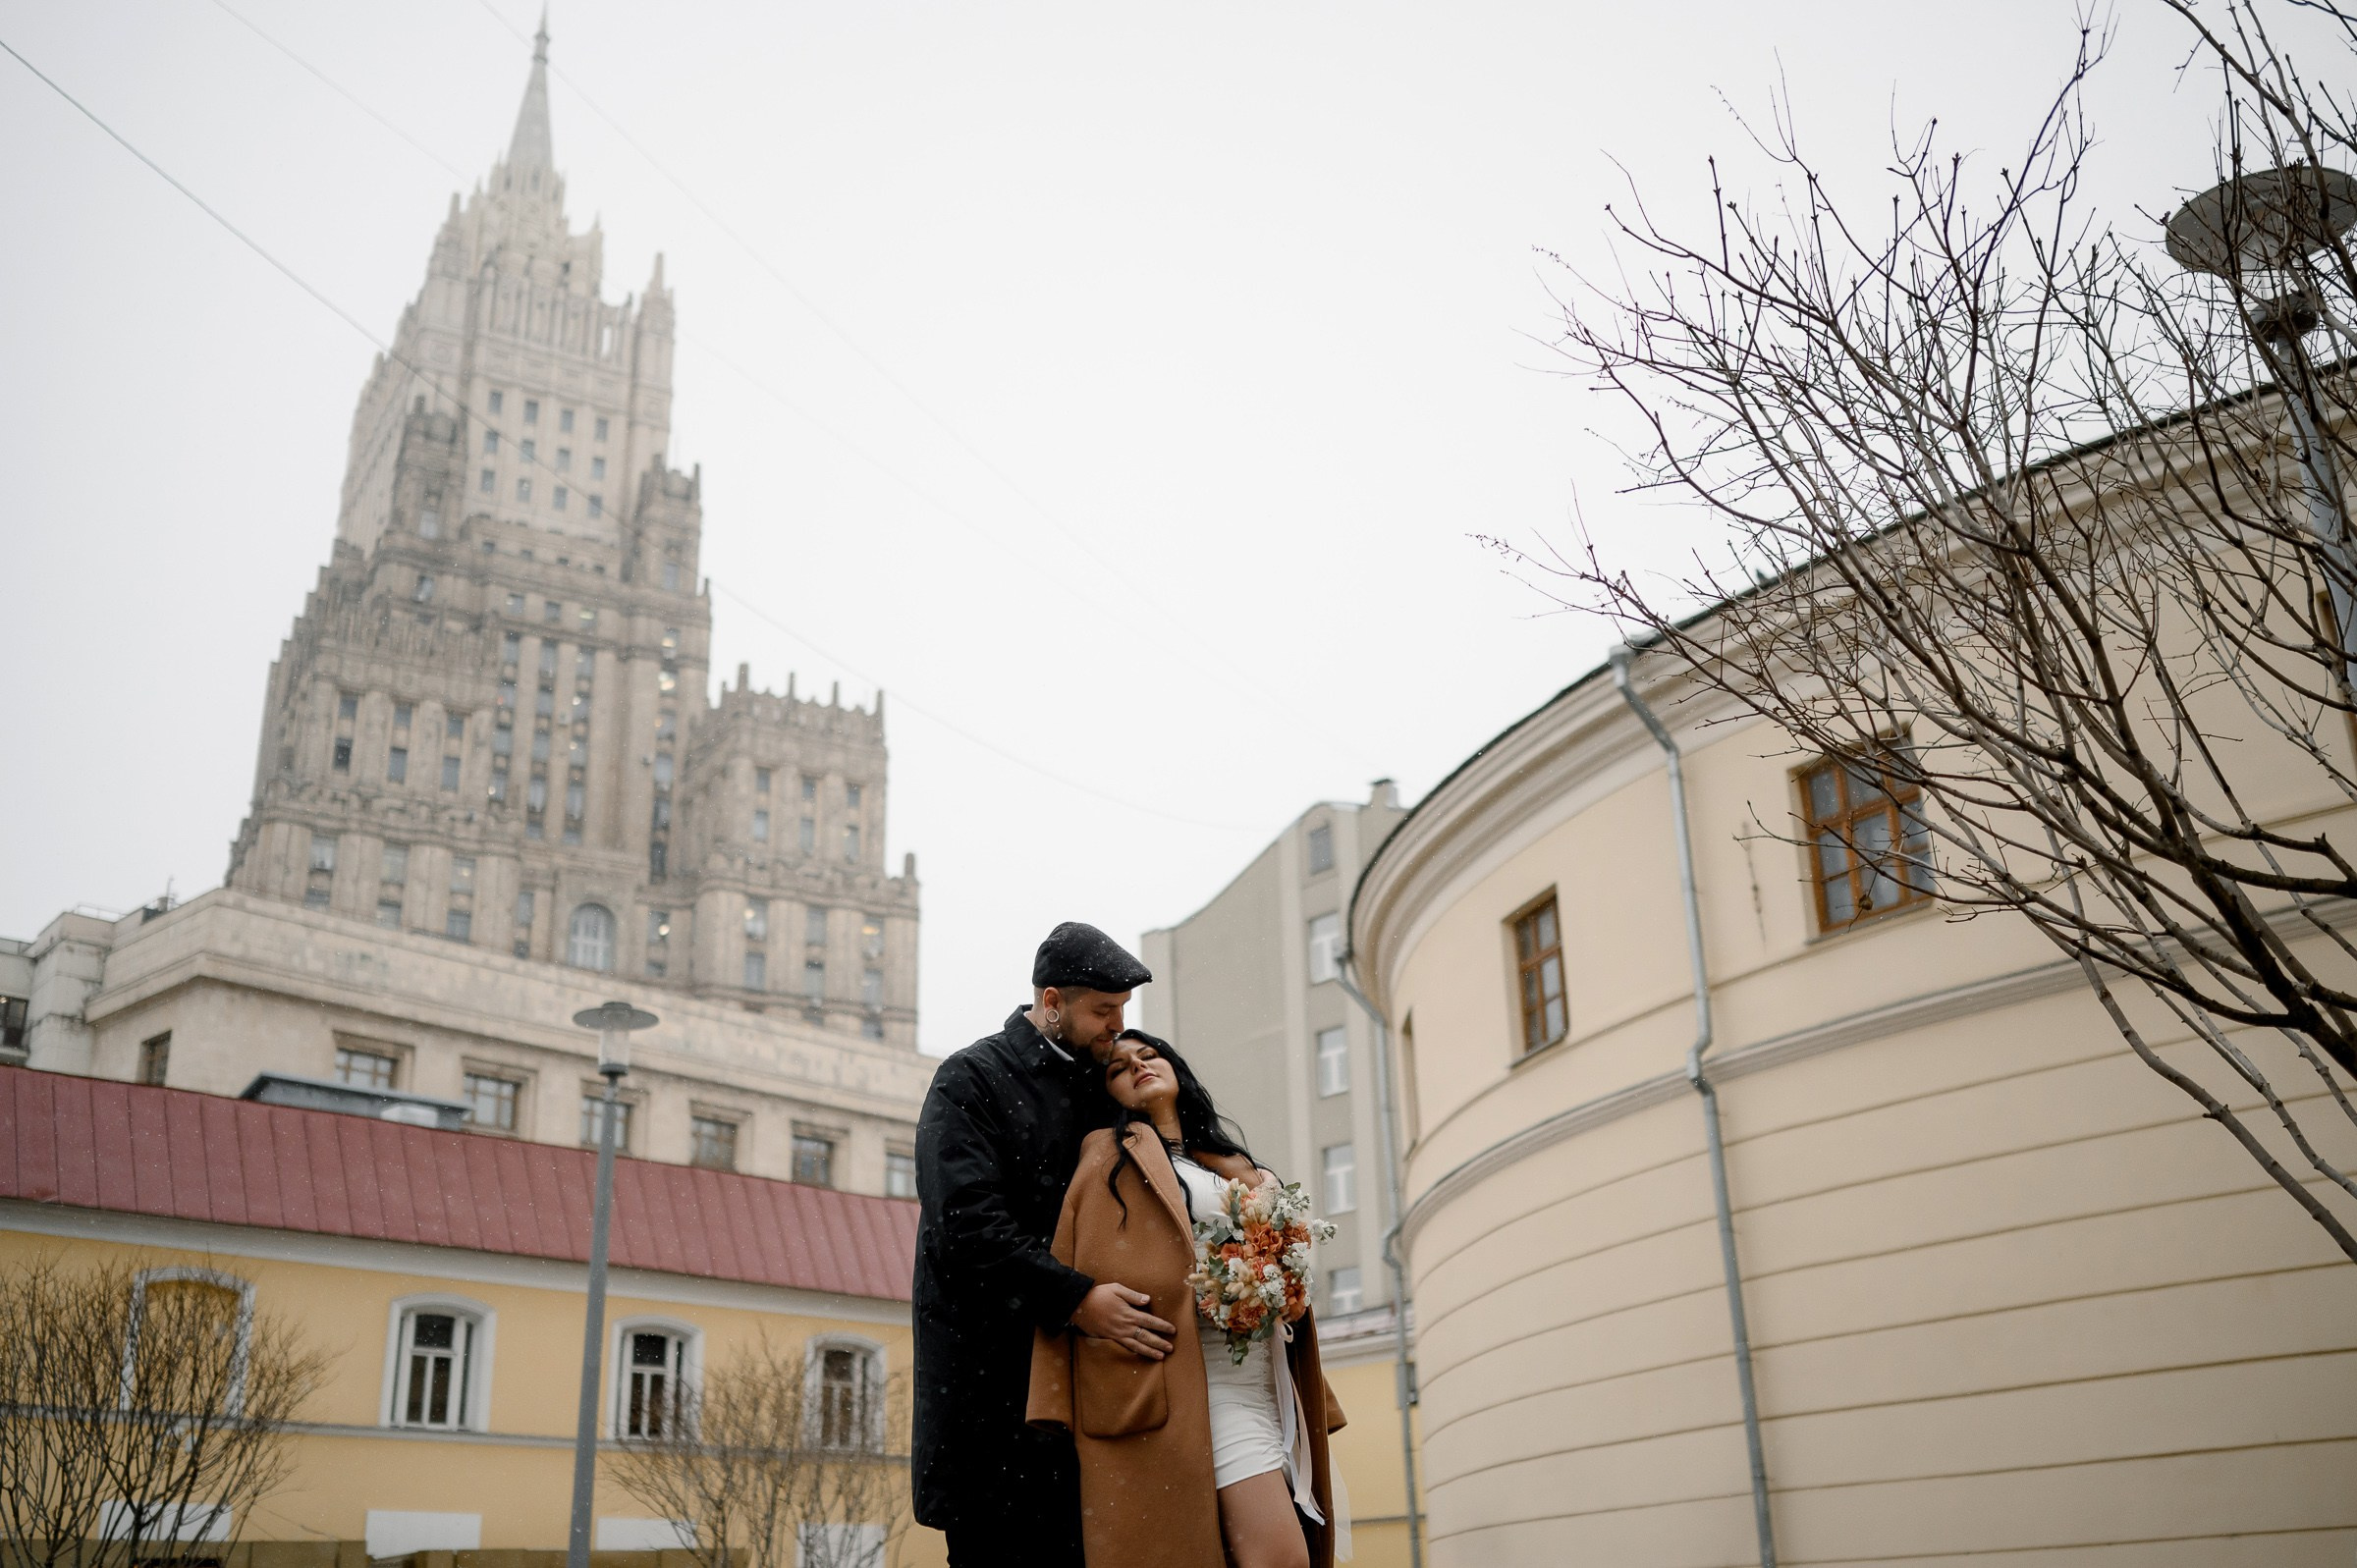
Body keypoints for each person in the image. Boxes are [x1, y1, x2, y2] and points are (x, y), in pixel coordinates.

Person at [1026, 1029, 1348, 1568]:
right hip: (1203, 1384)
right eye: (1117, 1067)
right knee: (1281, 1559)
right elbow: (1092, 1260)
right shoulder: (1107, 1157)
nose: (1137, 1065)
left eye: (1149, 1055)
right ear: (1108, 1095)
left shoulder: (1222, 1163)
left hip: (1267, 1379)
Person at [912, 923, 1177, 1568]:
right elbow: (966, 1221)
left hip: (1086, 1409)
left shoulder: (1101, 1087)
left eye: (1123, 1012)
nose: (1117, 1027)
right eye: (1103, 1011)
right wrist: (1079, 1299)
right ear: (1052, 1001)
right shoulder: (969, 1078)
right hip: (989, 1406)